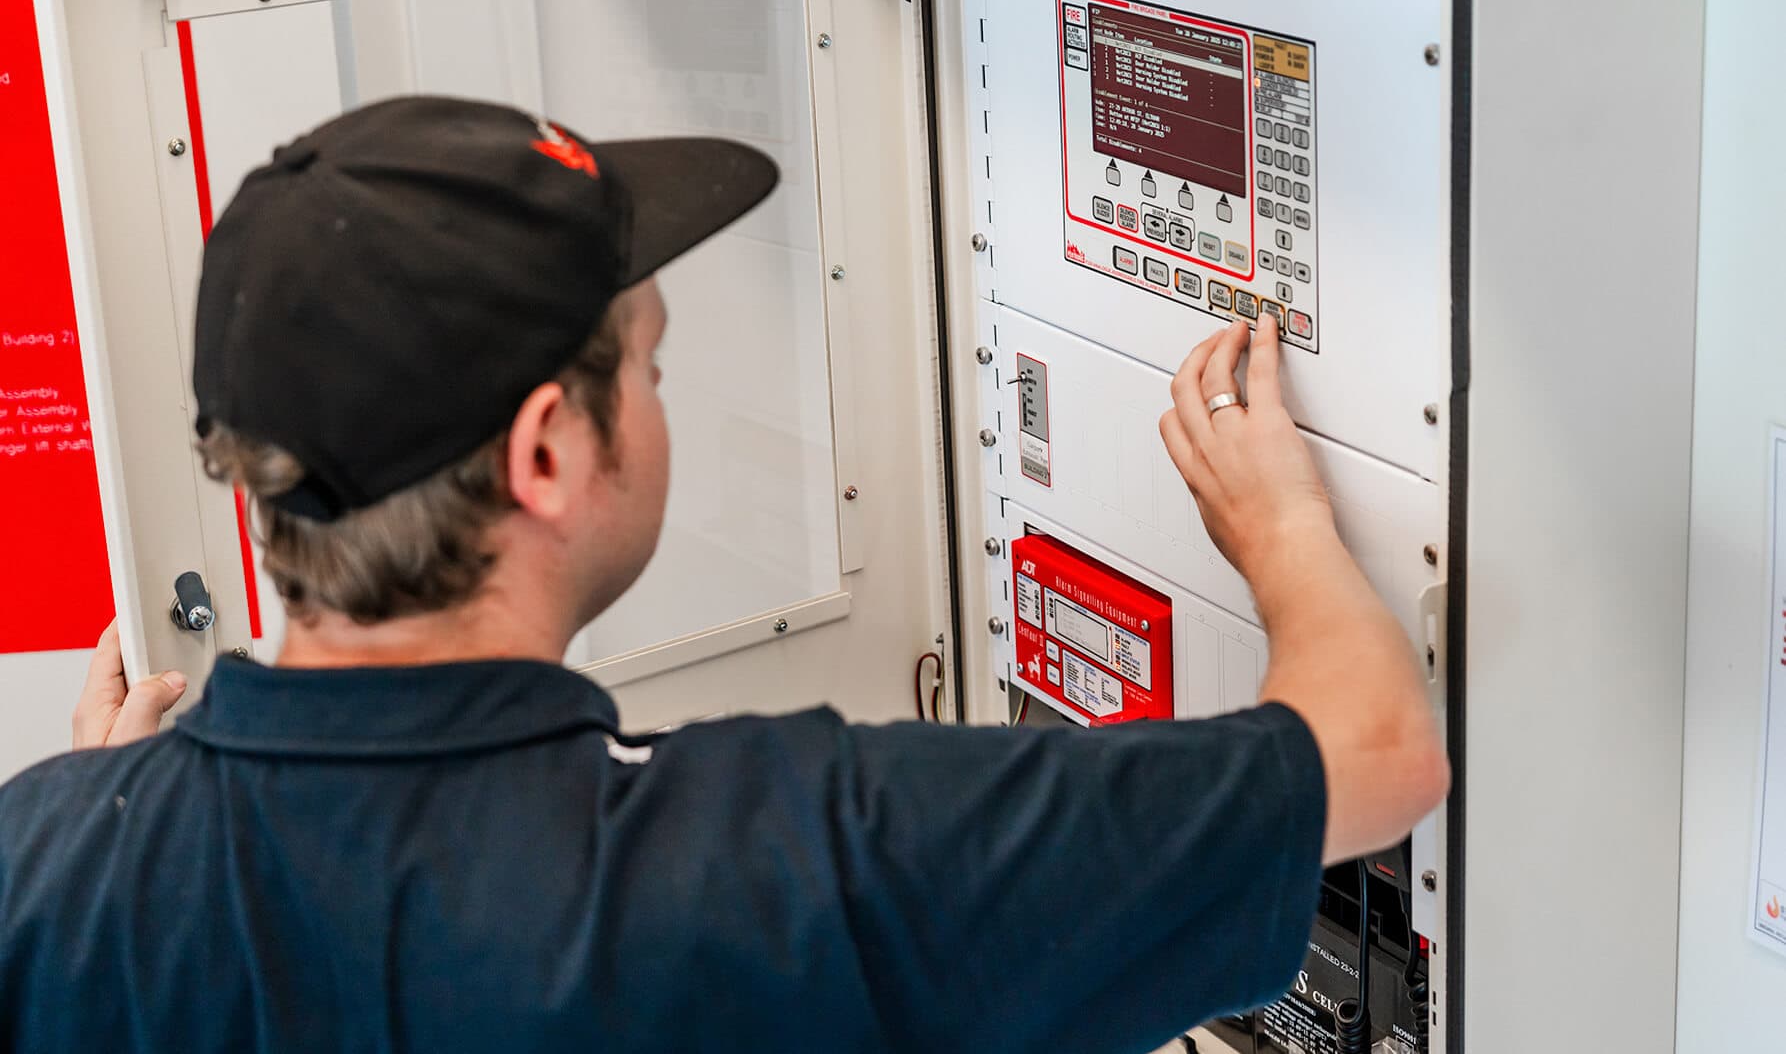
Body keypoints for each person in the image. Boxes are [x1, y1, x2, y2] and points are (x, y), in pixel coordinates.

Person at [0, 97, 1446, 1052]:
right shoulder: (803, 859)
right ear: (548, 452)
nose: (662, 398)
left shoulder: (43, 870)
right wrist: (1278, 530)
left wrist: (116, 821)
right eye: (650, 364)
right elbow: (1375, 756)